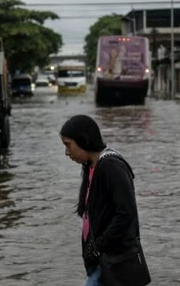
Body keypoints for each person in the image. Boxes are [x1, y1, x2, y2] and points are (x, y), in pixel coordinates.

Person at [60, 115, 151, 286]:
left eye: (68, 145)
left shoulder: (111, 166)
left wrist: (98, 246)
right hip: (103, 262)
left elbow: (126, 213)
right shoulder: (91, 166)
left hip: (115, 261)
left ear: (84, 140)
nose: (66, 152)